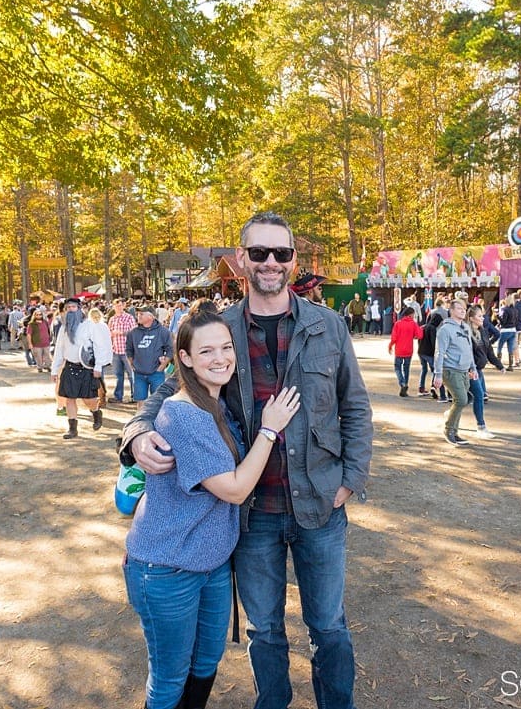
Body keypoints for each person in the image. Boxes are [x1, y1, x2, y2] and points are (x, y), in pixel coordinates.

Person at [122, 211, 372, 709]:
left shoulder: (328, 326)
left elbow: (355, 406)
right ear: (242, 260)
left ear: (293, 260)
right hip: (252, 514)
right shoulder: (220, 331)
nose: (271, 263)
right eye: (259, 253)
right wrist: (134, 433)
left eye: (281, 253)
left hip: (320, 504)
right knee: (265, 632)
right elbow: (174, 389)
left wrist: (350, 479)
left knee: (329, 626)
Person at [122, 308, 301, 709]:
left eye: (226, 347)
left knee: (206, 661)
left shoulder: (216, 404)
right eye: (206, 351)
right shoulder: (184, 414)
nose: (220, 358)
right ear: (184, 358)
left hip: (212, 563)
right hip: (166, 568)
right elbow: (234, 490)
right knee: (170, 678)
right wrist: (270, 429)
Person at [50, 297, 113, 439]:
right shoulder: (64, 328)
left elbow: (99, 346)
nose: (70, 310)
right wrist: (55, 370)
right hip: (70, 366)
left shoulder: (90, 325)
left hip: (86, 367)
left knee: (88, 400)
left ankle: (96, 411)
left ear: (79, 308)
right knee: (69, 399)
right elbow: (59, 349)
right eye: (67, 308)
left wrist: (98, 366)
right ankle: (73, 429)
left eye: (73, 307)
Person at [434, 297, 476, 446]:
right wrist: (437, 374)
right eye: (459, 308)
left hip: (464, 370)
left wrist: (473, 368)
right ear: (451, 310)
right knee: (462, 400)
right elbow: (439, 352)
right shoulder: (445, 329)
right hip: (450, 369)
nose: (463, 311)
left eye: (464, 308)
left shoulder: (465, 327)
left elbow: (469, 349)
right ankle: (448, 429)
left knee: (460, 401)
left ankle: (455, 431)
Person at [467, 305, 504, 438]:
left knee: (466, 398)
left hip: (479, 369)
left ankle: (452, 412)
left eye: (482, 315)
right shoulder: (466, 332)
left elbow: (488, 350)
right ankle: (481, 427)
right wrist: (470, 369)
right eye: (479, 316)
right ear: (471, 318)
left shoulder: (483, 331)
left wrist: (499, 365)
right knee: (479, 395)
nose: (482, 318)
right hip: (470, 370)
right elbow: (466, 353)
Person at [126, 306, 173, 403]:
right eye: (138, 314)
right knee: (140, 402)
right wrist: (131, 364)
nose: (138, 316)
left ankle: (156, 419)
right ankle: (141, 418)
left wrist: (163, 365)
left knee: (157, 402)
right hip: (139, 374)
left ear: (151, 317)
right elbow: (129, 350)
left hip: (156, 373)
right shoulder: (133, 333)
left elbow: (170, 349)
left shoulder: (163, 332)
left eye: (141, 314)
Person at [107, 298, 138, 404]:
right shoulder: (112, 319)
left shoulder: (129, 318)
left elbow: (134, 332)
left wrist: (121, 333)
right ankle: (118, 396)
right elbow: (108, 333)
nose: (118, 308)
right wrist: (111, 334)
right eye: (116, 306)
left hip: (127, 351)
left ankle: (136, 396)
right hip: (116, 350)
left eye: (120, 306)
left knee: (132, 375)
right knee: (117, 375)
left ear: (123, 306)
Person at [388, 306, 422, 397]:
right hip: (409, 350)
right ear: (410, 314)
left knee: (397, 367)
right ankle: (405, 384)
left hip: (399, 350)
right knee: (406, 368)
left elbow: (394, 337)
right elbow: (419, 335)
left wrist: (390, 346)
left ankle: (402, 383)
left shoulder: (398, 324)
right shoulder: (413, 324)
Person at [417, 312, 446, 401]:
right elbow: (434, 343)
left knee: (424, 369)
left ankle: (421, 386)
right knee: (436, 370)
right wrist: (437, 352)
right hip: (429, 352)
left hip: (421, 351)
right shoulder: (432, 329)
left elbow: (419, 339)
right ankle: (434, 386)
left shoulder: (423, 327)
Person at [495, 295, 519, 370]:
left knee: (500, 346)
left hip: (505, 330)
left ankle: (498, 363)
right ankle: (510, 365)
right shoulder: (515, 310)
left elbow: (503, 322)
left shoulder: (505, 309)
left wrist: (497, 317)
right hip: (513, 330)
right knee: (510, 348)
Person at [27, 307, 53, 372]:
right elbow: (29, 334)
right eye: (37, 315)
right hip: (37, 343)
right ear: (34, 315)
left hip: (46, 342)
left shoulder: (45, 322)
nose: (39, 316)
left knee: (47, 355)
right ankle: (39, 367)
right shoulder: (31, 324)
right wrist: (30, 343)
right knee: (38, 356)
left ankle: (47, 366)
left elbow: (48, 330)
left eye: (40, 314)